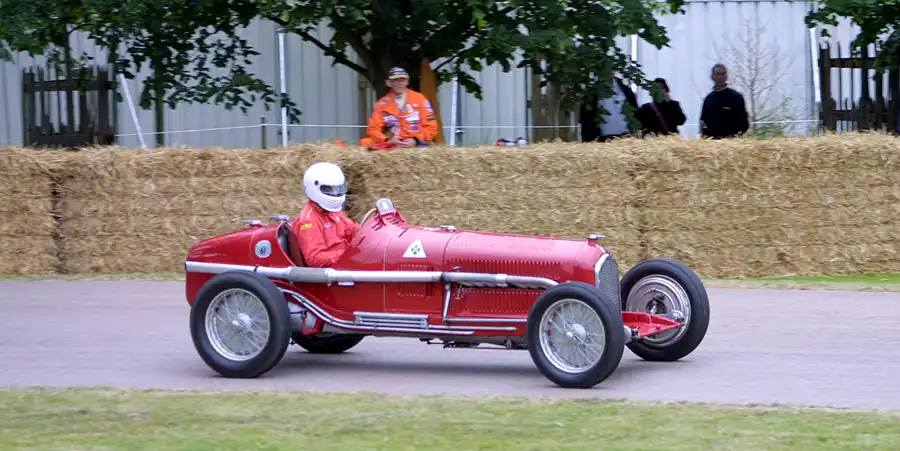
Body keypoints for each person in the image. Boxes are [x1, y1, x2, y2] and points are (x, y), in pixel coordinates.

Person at [291, 162, 360, 267]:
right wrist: (349, 253)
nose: (335, 193)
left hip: (344, 265)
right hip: (332, 274)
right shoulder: (309, 221)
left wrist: (371, 233)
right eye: (329, 190)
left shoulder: (333, 213)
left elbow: (354, 230)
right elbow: (315, 259)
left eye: (337, 189)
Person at [359, 67, 439, 149]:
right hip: (392, 144)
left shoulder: (420, 99)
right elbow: (373, 129)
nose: (400, 83)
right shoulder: (382, 104)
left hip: (418, 143)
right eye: (396, 80)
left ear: (407, 81)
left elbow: (431, 127)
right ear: (388, 83)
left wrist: (415, 140)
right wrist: (388, 140)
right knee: (365, 143)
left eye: (402, 80)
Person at [580, 74, 638, 142]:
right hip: (602, 141)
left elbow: (635, 112)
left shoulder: (625, 90)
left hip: (626, 139)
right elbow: (586, 120)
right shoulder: (592, 93)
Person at [699, 63, 749, 139]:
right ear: (712, 77)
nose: (720, 77)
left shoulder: (736, 97)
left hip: (731, 143)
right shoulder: (708, 99)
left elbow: (744, 123)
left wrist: (734, 137)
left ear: (726, 77)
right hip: (712, 144)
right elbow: (703, 122)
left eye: (723, 74)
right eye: (718, 74)